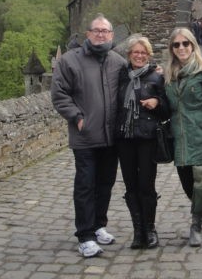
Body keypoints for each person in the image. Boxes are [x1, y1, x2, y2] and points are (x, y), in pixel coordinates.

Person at [51, 14, 126, 258]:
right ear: (88, 33)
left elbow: (131, 87)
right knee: (85, 185)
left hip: (110, 137)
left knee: (105, 184)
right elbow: (60, 94)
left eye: (105, 31)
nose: (101, 34)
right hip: (85, 137)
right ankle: (84, 235)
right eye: (96, 30)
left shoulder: (117, 61)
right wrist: (77, 117)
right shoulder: (70, 61)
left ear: (112, 35)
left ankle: (98, 225)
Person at [164, 27, 202, 247]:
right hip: (180, 141)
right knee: (188, 186)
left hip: (201, 139)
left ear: (193, 46)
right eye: (176, 44)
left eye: (185, 44)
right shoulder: (169, 76)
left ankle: (196, 225)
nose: (181, 48)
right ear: (171, 49)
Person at [115, 35, 170, 249]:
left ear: (149, 55)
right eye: (135, 52)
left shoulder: (157, 77)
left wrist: (157, 102)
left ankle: (150, 229)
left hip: (147, 138)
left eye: (143, 53)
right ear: (129, 55)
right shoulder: (121, 76)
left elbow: (167, 108)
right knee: (131, 187)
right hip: (125, 138)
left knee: (146, 185)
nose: (139, 56)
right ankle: (138, 231)